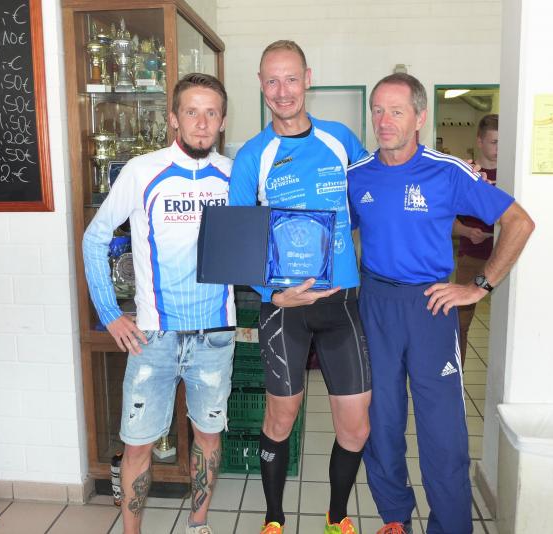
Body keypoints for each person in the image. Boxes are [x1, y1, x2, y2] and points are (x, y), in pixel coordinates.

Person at [347, 73, 534, 534]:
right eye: (377, 110)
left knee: (442, 430)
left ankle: (450, 526)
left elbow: (519, 222)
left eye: (396, 111)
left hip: (430, 307)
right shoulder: (356, 175)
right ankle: (394, 519)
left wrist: (480, 286)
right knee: (381, 422)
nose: (384, 121)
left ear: (419, 117)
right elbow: (329, 235)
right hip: (376, 305)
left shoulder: (447, 171)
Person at [229, 40, 370, 534]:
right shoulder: (254, 155)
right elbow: (240, 239)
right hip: (284, 307)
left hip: (341, 304)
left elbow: (375, 194)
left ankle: (336, 516)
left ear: (308, 78)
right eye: (272, 81)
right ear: (260, 85)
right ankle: (273, 518)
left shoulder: (340, 139)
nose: (282, 90)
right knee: (280, 419)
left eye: (291, 78)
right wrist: (271, 294)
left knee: (356, 425)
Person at [83, 73, 234, 534]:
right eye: (192, 111)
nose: (202, 122)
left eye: (211, 113)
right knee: (138, 444)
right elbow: (95, 237)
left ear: (222, 121)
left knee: (208, 436)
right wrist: (110, 314)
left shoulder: (233, 176)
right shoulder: (142, 171)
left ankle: (198, 525)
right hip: (154, 336)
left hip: (215, 333)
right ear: (173, 118)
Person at [452, 114, 499, 365]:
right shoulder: (465, 173)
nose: (499, 148)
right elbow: (446, 219)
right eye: (494, 142)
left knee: (509, 321)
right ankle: (456, 375)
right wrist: (468, 232)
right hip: (472, 258)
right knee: (460, 322)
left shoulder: (513, 174)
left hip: (504, 260)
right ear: (480, 142)